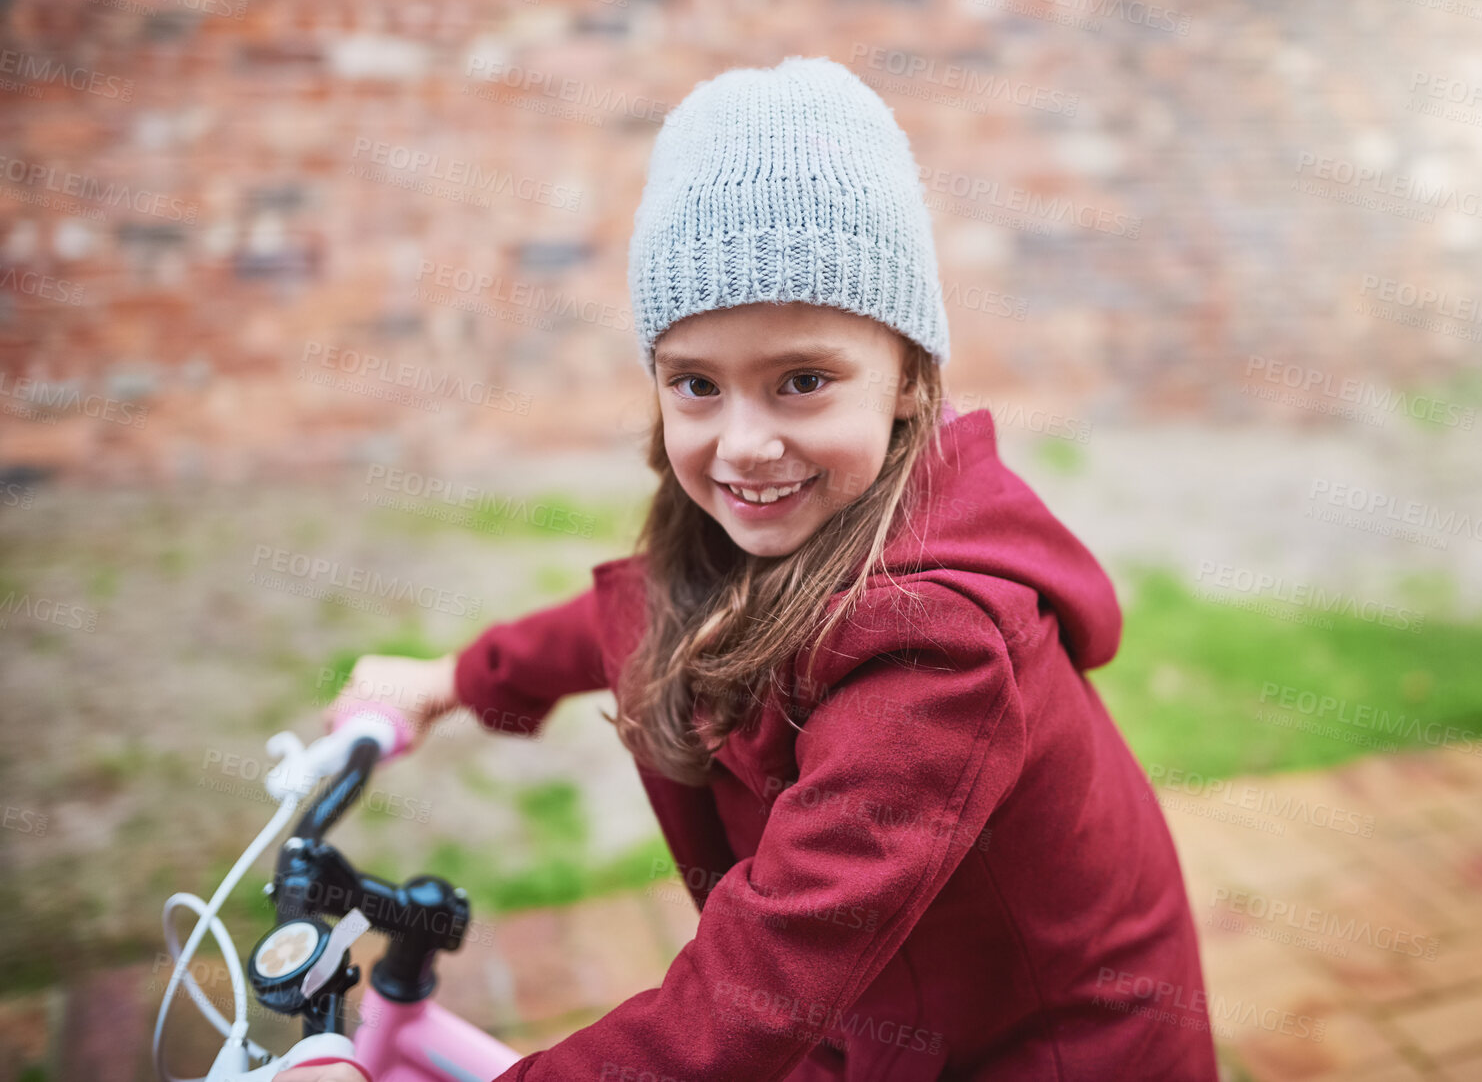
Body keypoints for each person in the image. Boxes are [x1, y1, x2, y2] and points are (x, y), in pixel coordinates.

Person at [287, 56, 1216, 1082]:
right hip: (883, 1012)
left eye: (801, 381)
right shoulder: (777, 524)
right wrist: (454, 680)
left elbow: (757, 984)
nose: (741, 445)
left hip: (1040, 1053)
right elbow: (652, 607)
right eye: (694, 384)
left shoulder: (940, 648)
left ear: (907, 376)